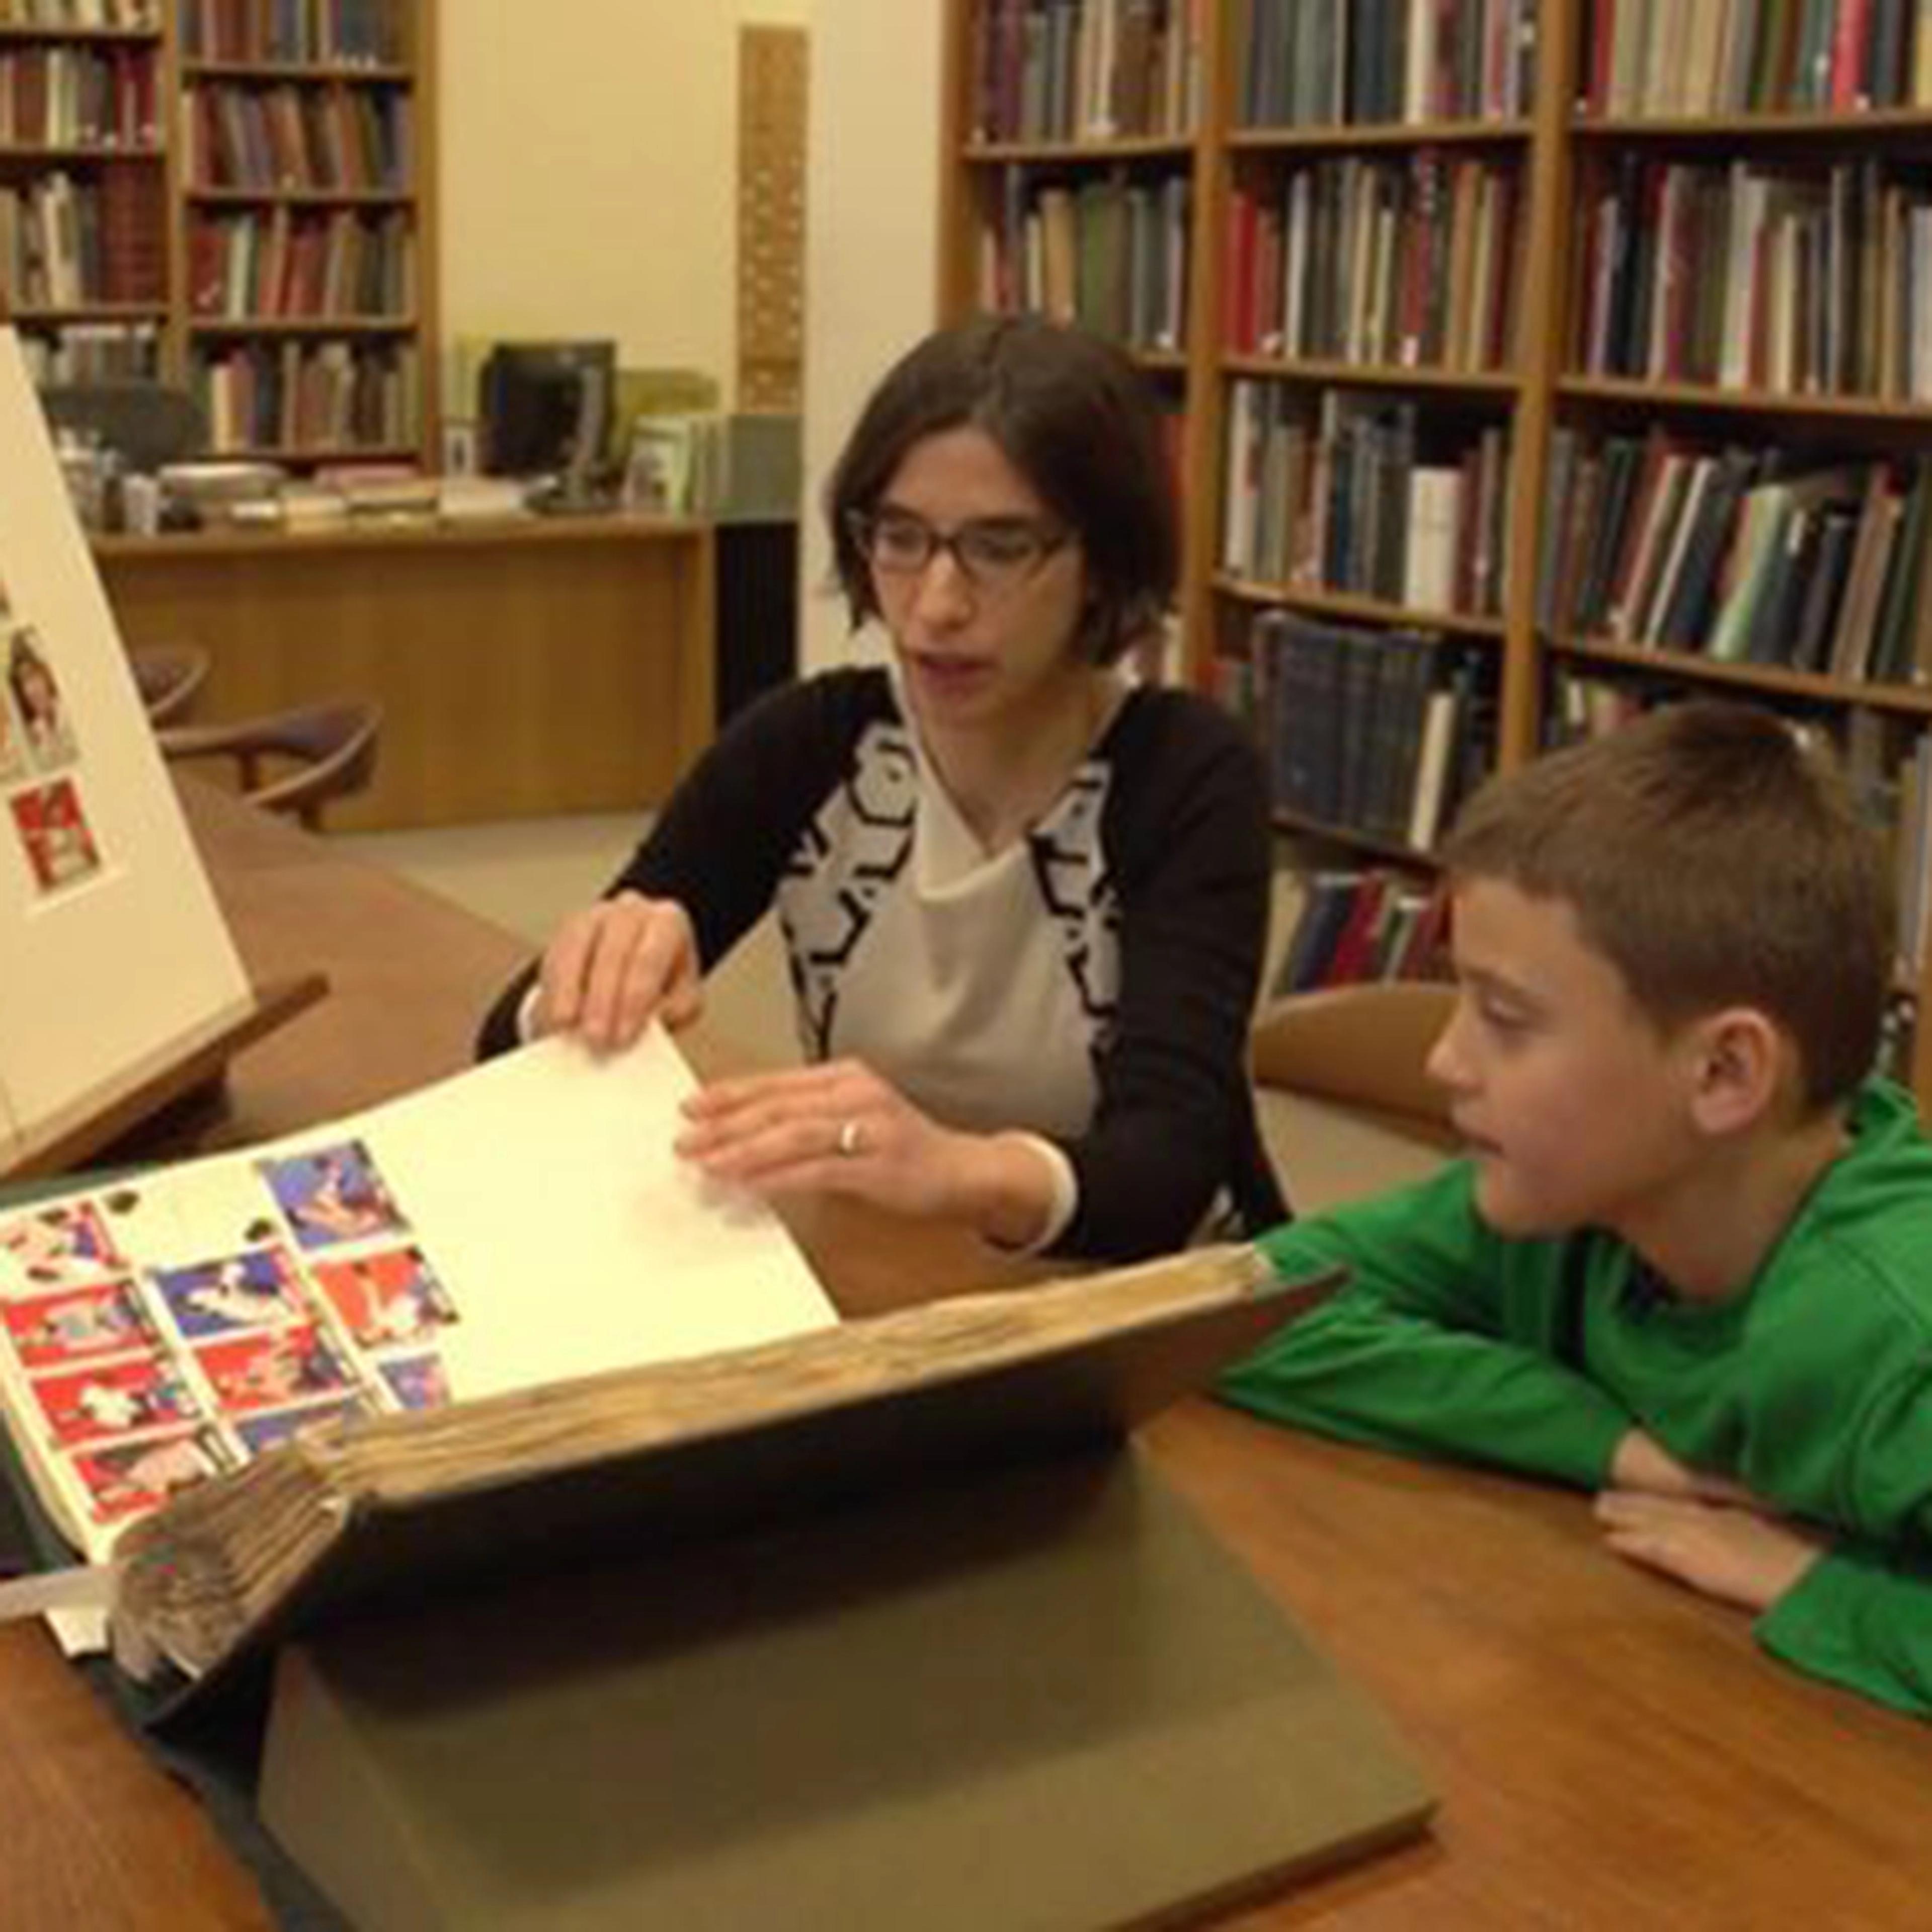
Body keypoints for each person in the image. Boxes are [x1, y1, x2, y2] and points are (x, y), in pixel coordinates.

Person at [479, 314, 1284, 1261]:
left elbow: (1166, 1172)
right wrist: (578, 989)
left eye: (1000, 547)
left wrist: (950, 1170)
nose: (936, 604)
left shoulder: (1186, 774)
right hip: (907, 1280)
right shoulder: (812, 742)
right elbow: (504, 1044)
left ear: (1101, 564)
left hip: (1162, 1312)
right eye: (901, 538)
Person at [1220, 701, 1932, 1719]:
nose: (1443, 1060)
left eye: (1505, 1019)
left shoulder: (1900, 1336)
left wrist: (1822, 1589)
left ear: (1726, 1073)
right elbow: (1248, 1311)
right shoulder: (1578, 1211)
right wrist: (1616, 1447)